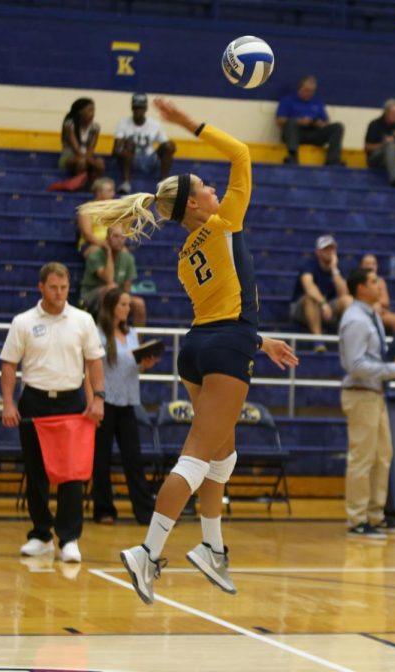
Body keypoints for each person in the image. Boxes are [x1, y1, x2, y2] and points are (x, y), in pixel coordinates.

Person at [77, 98, 298, 604]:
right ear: (195, 206)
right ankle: (148, 553)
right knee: (197, 458)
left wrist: (260, 341)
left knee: (223, 453)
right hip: (224, 349)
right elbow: (241, 153)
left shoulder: (185, 254)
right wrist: (188, 124)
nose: (216, 189)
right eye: (206, 187)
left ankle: (211, 550)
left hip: (199, 346)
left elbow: (221, 308)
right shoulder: (224, 225)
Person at [0, 262, 106, 563]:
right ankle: (41, 534)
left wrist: (97, 398)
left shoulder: (83, 320)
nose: (59, 293)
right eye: (53, 288)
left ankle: (69, 538)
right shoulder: (22, 322)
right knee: (36, 473)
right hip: (34, 401)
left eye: (64, 287)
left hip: (72, 402)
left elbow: (95, 362)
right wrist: (8, 402)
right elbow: (9, 364)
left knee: (72, 473)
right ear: (41, 287)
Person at [339, 267, 395, 539]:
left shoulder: (371, 315)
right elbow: (355, 364)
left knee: (382, 456)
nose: (379, 286)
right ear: (361, 288)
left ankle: (376, 514)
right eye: (374, 282)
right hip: (361, 392)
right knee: (362, 458)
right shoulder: (355, 320)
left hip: (375, 393)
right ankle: (356, 520)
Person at [91, 287, 158, 525]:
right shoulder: (97, 334)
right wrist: (93, 401)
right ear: (111, 307)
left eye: (128, 304)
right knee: (101, 459)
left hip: (128, 400)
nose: (128, 309)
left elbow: (131, 366)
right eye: (123, 304)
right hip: (105, 401)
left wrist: (144, 364)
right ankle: (103, 509)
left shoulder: (132, 333)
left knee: (134, 458)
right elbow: (92, 369)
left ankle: (145, 511)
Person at [290, 235, 353, 352]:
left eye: (332, 249)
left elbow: (344, 293)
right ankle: (318, 339)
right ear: (318, 252)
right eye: (326, 249)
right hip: (302, 309)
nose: (329, 252)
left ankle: (348, 339)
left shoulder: (337, 268)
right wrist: (323, 303)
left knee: (348, 300)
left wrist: (334, 270)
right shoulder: (309, 265)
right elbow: (308, 286)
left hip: (327, 309)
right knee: (310, 298)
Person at [79, 224, 147, 326]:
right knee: (110, 290)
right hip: (90, 297)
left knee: (139, 304)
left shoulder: (128, 258)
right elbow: (108, 279)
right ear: (107, 238)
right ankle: (106, 335)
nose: (119, 240)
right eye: (115, 236)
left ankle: (137, 340)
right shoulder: (95, 255)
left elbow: (127, 288)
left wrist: (124, 300)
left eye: (122, 237)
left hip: (117, 295)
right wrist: (109, 253)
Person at [113, 93, 176, 195]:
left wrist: (170, 147)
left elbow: (167, 146)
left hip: (151, 159)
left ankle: (164, 182)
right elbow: (116, 149)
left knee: (169, 145)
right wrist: (126, 147)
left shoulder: (154, 124)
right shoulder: (123, 123)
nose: (138, 110)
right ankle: (126, 183)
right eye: (136, 107)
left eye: (141, 108)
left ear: (145, 109)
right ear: (132, 108)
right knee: (129, 144)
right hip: (131, 160)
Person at [276, 75, 344, 166]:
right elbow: (279, 120)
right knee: (291, 123)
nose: (309, 93)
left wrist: (319, 123)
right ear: (299, 88)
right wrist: (299, 121)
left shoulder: (317, 102)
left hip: (314, 132)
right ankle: (293, 157)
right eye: (306, 90)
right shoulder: (288, 100)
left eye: (312, 91)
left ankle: (333, 161)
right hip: (296, 133)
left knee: (338, 127)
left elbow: (326, 121)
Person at [59, 97, 104, 183]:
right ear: (80, 111)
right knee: (81, 162)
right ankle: (79, 187)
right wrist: (91, 161)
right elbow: (76, 150)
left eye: (93, 110)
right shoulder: (69, 125)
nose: (93, 113)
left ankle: (92, 187)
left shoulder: (95, 127)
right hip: (69, 156)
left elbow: (91, 149)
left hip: (87, 157)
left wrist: (93, 161)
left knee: (100, 163)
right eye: (90, 110)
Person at [359, 254, 395, 333]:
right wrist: (371, 306)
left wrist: (377, 305)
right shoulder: (356, 281)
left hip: (378, 313)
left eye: (373, 264)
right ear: (361, 266)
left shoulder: (380, 281)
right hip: (361, 312)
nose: (370, 267)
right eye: (367, 264)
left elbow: (385, 301)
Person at [77, 177, 116, 258]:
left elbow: (118, 230)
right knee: (98, 252)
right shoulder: (86, 209)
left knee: (125, 253)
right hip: (90, 244)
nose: (113, 194)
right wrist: (104, 244)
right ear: (98, 192)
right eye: (109, 191)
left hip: (111, 243)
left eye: (113, 191)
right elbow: (87, 235)